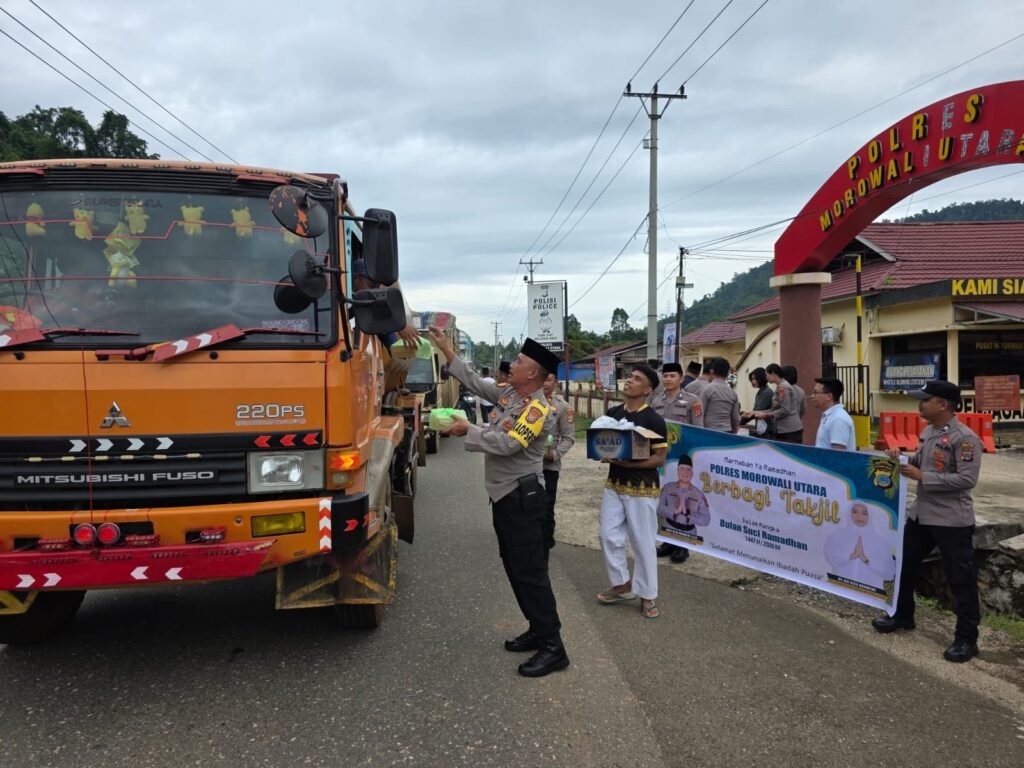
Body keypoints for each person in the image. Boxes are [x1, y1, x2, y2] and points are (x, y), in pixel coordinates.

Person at [427, 328, 569, 678]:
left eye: (519, 361)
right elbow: (477, 383)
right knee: (514, 566)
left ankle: (554, 646)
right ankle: (538, 628)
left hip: (523, 498)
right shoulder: (511, 395)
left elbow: (508, 444)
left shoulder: (538, 409)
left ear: (533, 373)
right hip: (505, 496)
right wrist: (447, 350)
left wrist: (467, 431)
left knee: (530, 572)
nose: (512, 365)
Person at [871, 380, 982, 664]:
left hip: (951, 520)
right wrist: (900, 457)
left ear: (943, 404)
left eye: (925, 400)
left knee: (961, 579)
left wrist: (924, 477)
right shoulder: (930, 431)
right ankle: (903, 615)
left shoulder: (965, 438)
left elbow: (967, 479)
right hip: (921, 515)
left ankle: (966, 639)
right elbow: (921, 462)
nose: (920, 404)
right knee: (904, 564)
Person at [597, 365, 668, 620]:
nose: (629, 381)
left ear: (647, 390)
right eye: (629, 377)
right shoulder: (613, 413)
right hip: (614, 483)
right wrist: (604, 454)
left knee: (642, 542)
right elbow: (604, 443)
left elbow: (659, 458)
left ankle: (647, 594)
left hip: (642, 487)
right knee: (607, 535)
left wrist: (631, 464)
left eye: (636, 379)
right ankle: (622, 585)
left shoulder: (653, 419)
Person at [652, 362, 704, 564]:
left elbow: (699, 431)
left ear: (681, 379)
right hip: (662, 458)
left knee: (683, 501)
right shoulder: (656, 401)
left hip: (683, 459)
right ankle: (667, 539)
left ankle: (683, 544)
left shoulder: (693, 401)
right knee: (665, 498)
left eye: (672, 376)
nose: (668, 379)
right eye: (665, 376)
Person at [824, 501, 896, 592]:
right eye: (855, 512)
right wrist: (850, 556)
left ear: (870, 516)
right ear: (849, 513)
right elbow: (830, 556)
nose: (859, 517)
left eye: (864, 513)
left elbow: (889, 573)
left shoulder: (881, 541)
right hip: (840, 589)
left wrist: (866, 559)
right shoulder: (838, 534)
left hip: (870, 595)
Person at [542, 372, 575, 550]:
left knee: (547, 505)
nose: (544, 383)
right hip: (526, 466)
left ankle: (546, 542)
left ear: (555, 382)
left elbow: (569, 438)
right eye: (542, 379)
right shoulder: (525, 403)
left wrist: (553, 455)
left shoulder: (563, 407)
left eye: (548, 379)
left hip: (549, 466)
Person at [656, 455, 710, 542]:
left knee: (681, 552)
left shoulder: (699, 494)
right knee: (667, 545)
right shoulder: (668, 488)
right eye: (682, 468)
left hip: (688, 534)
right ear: (677, 471)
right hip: (668, 529)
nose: (685, 472)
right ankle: (667, 546)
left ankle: (683, 550)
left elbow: (706, 519)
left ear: (692, 473)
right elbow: (657, 506)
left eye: (688, 469)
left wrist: (689, 517)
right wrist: (673, 512)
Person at [748, 363, 803, 443]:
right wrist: (754, 412)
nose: (766, 378)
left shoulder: (784, 387)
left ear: (773, 374)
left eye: (767, 375)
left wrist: (766, 415)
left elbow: (785, 410)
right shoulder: (780, 386)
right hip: (782, 429)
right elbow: (774, 409)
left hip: (789, 430)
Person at [812, 377, 856, 450]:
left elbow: (838, 454)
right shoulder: (829, 415)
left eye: (815, 392)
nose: (813, 396)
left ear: (829, 396)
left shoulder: (838, 419)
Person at [699, 358, 740, 433]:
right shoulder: (733, 393)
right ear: (728, 373)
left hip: (709, 431)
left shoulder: (707, 389)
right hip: (727, 431)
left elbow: (700, 413)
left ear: (711, 371)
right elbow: (735, 418)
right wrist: (734, 433)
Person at [740, 367, 775, 438]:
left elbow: (757, 412)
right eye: (752, 379)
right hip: (761, 428)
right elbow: (754, 411)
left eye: (755, 379)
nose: (753, 381)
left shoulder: (767, 393)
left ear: (761, 378)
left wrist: (740, 419)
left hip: (767, 429)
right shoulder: (760, 392)